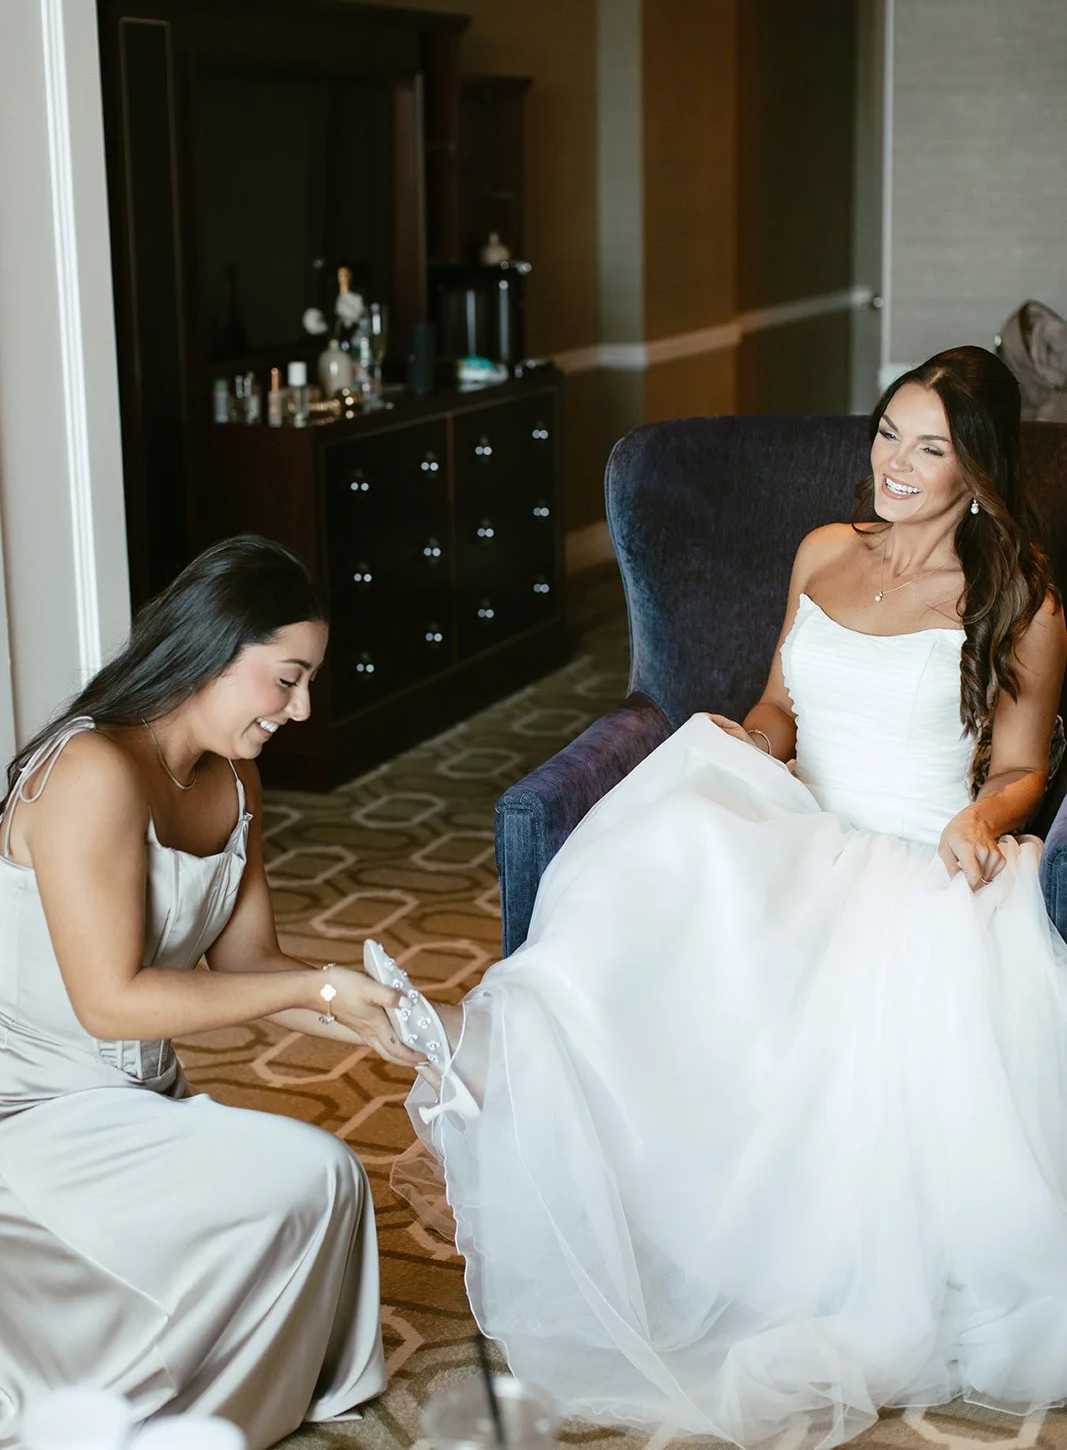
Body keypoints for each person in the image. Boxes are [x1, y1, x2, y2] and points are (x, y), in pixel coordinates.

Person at [383, 347, 1067, 1449]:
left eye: (928, 447)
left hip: (914, 855)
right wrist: (743, 742)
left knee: (842, 1025)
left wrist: (981, 822)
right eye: (887, 432)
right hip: (800, 819)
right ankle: (515, 1060)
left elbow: (1023, 766)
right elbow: (777, 705)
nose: (893, 462)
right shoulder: (824, 550)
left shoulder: (1019, 598)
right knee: (661, 857)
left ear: (975, 469)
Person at [0, 535, 419, 1450]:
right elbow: (109, 1004)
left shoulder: (234, 776)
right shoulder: (91, 770)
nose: (301, 709)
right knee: (314, 1171)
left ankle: (208, 1402)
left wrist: (375, 1019)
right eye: (287, 679)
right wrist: (318, 987)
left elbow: (246, 965)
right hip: (29, 1112)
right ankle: (163, 1411)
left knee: (314, 1184)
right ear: (208, 653)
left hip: (136, 1096)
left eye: (309, 683)